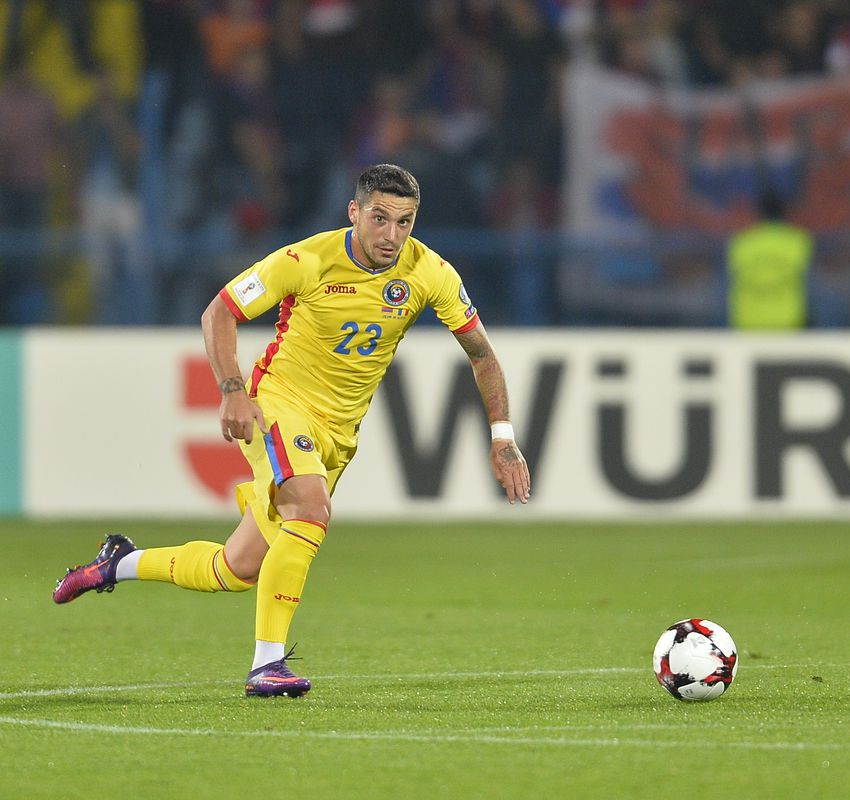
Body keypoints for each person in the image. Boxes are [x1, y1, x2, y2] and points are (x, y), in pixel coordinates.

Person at [52, 164, 532, 697]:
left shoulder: (430, 273)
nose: (391, 235)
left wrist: (503, 437)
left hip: (339, 433)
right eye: (379, 218)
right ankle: (267, 665)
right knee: (310, 508)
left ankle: (117, 564)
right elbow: (219, 313)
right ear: (354, 212)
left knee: (235, 568)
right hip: (280, 404)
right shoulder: (306, 260)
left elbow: (482, 354)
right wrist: (232, 389)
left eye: (404, 222)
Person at [726, 189, 813, 329]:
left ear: (758, 213)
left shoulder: (741, 242)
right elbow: (810, 281)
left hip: (748, 321)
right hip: (788, 320)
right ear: (785, 212)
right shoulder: (798, 241)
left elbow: (729, 279)